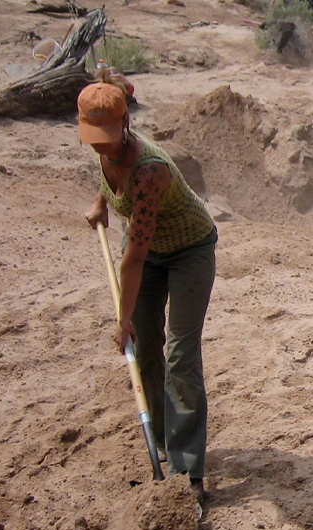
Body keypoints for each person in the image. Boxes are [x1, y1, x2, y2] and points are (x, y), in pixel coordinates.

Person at [78, 71, 218, 505]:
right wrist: (101, 203)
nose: (100, 144)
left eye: (107, 135)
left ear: (126, 123)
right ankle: (162, 440)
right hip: (148, 252)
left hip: (189, 250)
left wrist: (121, 319)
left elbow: (132, 259)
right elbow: (106, 175)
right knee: (146, 349)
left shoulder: (150, 170)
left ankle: (188, 468)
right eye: (92, 136)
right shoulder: (104, 150)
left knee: (179, 353)